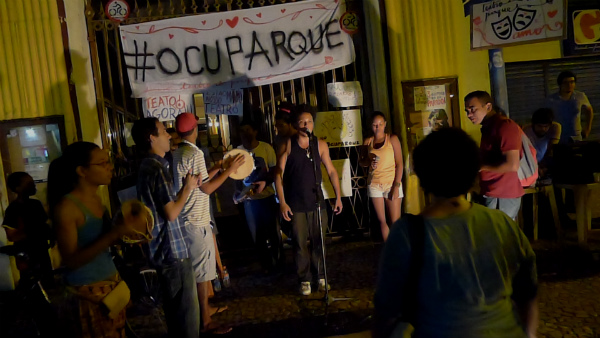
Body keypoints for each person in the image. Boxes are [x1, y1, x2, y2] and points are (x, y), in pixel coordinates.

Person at [373, 128, 538, 338]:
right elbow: (528, 292)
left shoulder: (406, 235)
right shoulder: (502, 224)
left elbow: (387, 311)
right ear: (473, 171)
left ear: (421, 174)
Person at [47, 142, 142, 337]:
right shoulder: (67, 208)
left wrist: (129, 233)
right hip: (86, 294)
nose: (110, 167)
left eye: (109, 162)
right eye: (102, 163)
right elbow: (71, 260)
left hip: (110, 289)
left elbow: (103, 243)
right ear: (81, 171)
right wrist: (113, 235)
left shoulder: (98, 200)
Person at [171, 113, 243, 334]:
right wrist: (230, 171)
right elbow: (207, 188)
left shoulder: (179, 152)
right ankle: (205, 322)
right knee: (202, 276)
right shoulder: (194, 152)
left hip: (186, 218)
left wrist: (220, 167)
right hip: (196, 219)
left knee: (198, 273)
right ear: (195, 130)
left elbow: (200, 180)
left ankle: (203, 311)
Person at [131, 117, 201, 338]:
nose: (169, 135)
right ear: (151, 138)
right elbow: (171, 213)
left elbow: (165, 207)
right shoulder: (156, 168)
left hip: (162, 252)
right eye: (163, 131)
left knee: (175, 317)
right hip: (174, 252)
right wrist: (188, 189)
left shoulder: (146, 166)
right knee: (186, 320)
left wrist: (185, 189)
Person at [275, 104, 343, 296]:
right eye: (302, 122)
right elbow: (278, 174)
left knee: (319, 240)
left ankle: (320, 275)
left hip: (317, 202)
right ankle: (304, 279)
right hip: (296, 204)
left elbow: (330, 170)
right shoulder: (288, 144)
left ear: (313, 124)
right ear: (296, 125)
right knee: (299, 243)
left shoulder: (320, 145)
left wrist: (338, 196)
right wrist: (282, 201)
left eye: (309, 121)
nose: (306, 125)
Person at [465, 91, 524, 220]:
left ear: (488, 107)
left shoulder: (504, 126)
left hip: (503, 193)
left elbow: (512, 165)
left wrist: (481, 167)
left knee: (501, 235)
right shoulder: (488, 127)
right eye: (467, 111)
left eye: (472, 110)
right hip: (492, 191)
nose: (469, 115)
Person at [237, 119, 282, 272]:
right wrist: (238, 194)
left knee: (274, 233)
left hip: (267, 197)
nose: (245, 134)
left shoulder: (266, 148)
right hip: (249, 200)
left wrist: (265, 182)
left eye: (248, 130)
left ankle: (279, 263)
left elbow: (275, 170)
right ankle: (266, 265)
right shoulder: (237, 151)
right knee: (257, 236)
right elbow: (234, 177)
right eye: (242, 131)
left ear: (255, 131)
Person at [2, 172, 53, 287]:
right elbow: (12, 236)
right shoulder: (13, 209)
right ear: (17, 188)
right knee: (31, 285)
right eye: (29, 184)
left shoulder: (36, 204)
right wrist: (35, 232)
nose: (33, 186)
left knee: (47, 283)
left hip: (42, 252)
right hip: (27, 256)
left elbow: (45, 226)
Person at [361, 112, 404, 242]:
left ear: (385, 124)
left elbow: (400, 163)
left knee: (395, 221)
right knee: (382, 220)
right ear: (371, 126)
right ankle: (388, 251)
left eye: (380, 124)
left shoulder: (392, 139)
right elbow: (362, 161)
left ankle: (398, 249)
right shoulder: (368, 142)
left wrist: (396, 185)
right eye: (375, 125)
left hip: (391, 182)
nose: (377, 127)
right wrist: (369, 162)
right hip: (374, 183)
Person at [545, 70, 594, 144]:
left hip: (576, 137)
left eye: (572, 82)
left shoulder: (580, 96)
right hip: (559, 138)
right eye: (566, 82)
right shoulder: (551, 100)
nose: (569, 85)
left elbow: (589, 110)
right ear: (560, 84)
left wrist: (587, 128)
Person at [523, 108, 561, 177]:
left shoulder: (555, 127)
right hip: (531, 161)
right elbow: (526, 153)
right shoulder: (526, 131)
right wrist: (536, 167)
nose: (543, 129)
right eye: (539, 126)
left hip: (546, 160)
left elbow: (552, 148)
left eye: (546, 126)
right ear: (533, 124)